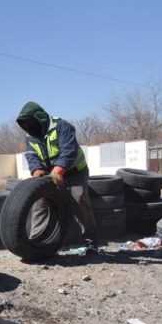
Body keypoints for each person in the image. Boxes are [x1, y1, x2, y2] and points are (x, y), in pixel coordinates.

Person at [16, 101, 99, 248]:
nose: (29, 126)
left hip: (75, 172)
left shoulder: (61, 126)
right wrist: (36, 170)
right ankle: (36, 242)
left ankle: (91, 242)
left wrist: (58, 171)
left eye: (31, 122)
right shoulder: (31, 134)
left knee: (79, 202)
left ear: (39, 118)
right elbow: (31, 154)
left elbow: (69, 151)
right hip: (50, 174)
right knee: (39, 203)